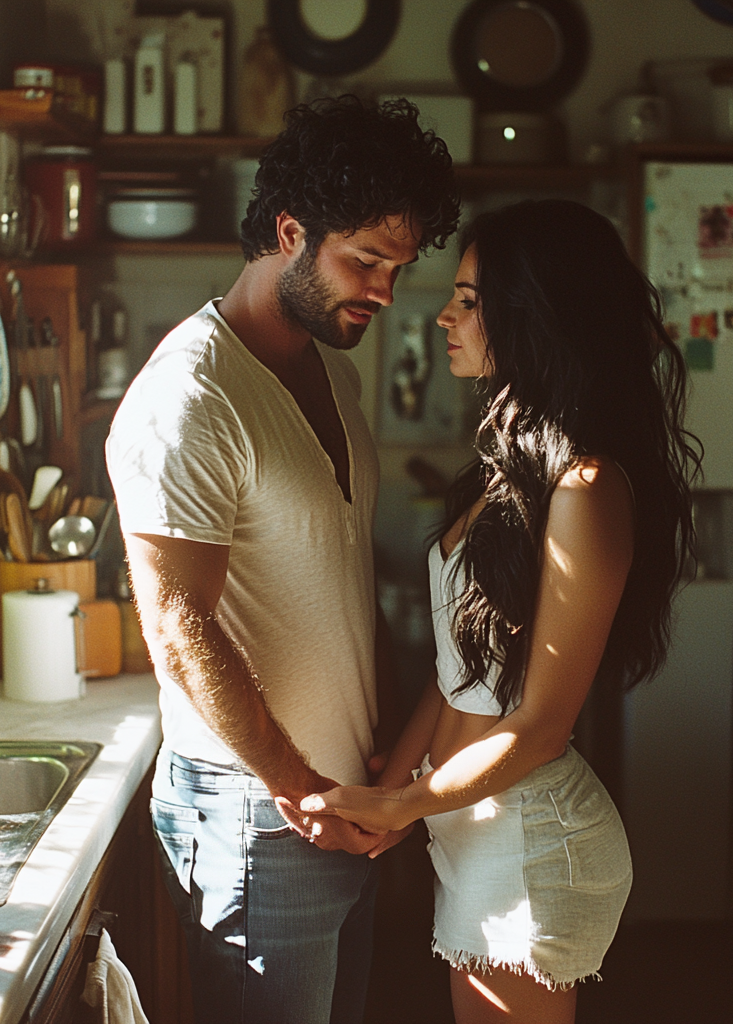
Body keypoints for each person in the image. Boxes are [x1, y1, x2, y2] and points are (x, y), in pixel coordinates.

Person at [295, 199, 700, 1023]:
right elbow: (459, 680)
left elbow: (544, 724)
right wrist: (392, 797)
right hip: (474, 827)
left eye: (472, 300)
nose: (444, 313)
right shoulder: (503, 473)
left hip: (531, 841)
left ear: (537, 316)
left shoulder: (585, 488)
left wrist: (406, 804)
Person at [105, 95, 460, 1024]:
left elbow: (341, 578)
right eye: (366, 260)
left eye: (401, 266)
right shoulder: (191, 397)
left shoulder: (330, 372)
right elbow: (180, 629)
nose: (386, 291)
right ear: (289, 230)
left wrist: (381, 768)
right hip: (259, 813)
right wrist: (300, 792)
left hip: (342, 805)